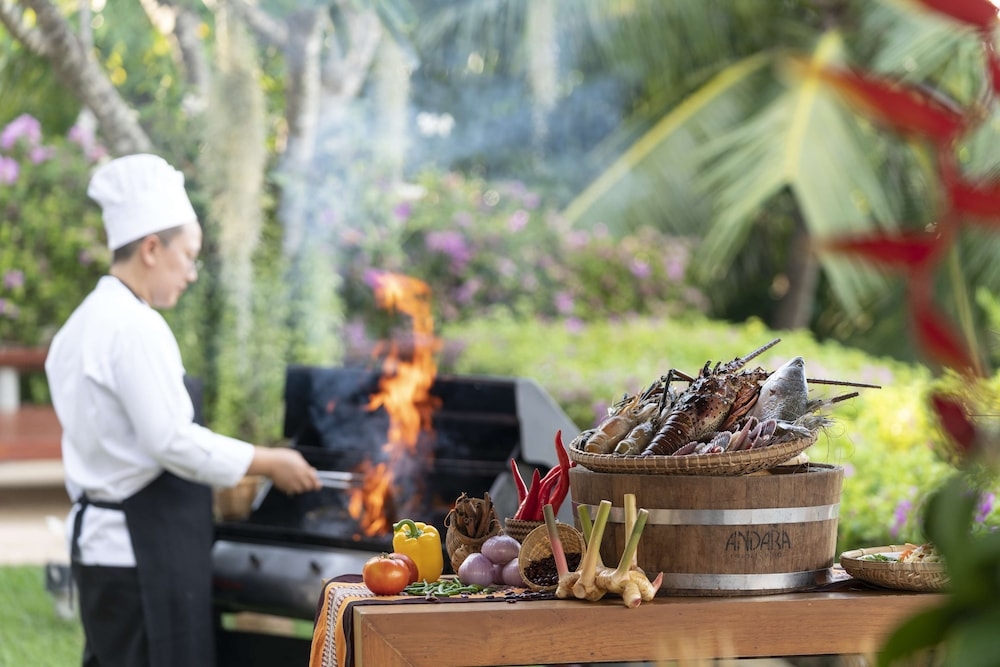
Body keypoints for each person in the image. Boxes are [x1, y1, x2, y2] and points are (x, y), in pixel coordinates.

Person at [45, 153, 322, 667]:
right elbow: (170, 440)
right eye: (188, 255)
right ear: (152, 248)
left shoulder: (82, 324)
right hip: (141, 554)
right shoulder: (134, 327)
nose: (192, 273)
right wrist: (269, 461)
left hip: (104, 549)